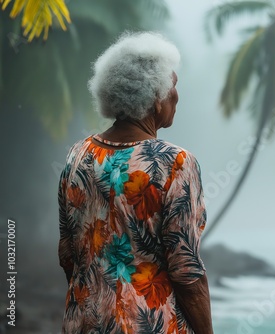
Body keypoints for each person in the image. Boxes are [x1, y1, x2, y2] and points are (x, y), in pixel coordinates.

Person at [57, 32, 213, 334]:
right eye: (173, 85)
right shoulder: (175, 163)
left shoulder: (78, 156)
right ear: (155, 98)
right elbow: (187, 273)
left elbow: (67, 254)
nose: (177, 95)